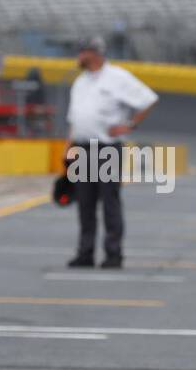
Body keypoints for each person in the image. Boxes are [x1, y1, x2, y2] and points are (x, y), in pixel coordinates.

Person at [64, 36, 158, 269]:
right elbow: (75, 119)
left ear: (94, 53)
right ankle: (85, 253)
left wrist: (130, 125)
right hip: (82, 148)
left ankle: (113, 254)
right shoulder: (80, 82)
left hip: (106, 148)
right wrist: (69, 148)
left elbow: (148, 100)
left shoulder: (117, 77)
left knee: (109, 203)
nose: (78, 56)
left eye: (81, 51)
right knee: (85, 203)